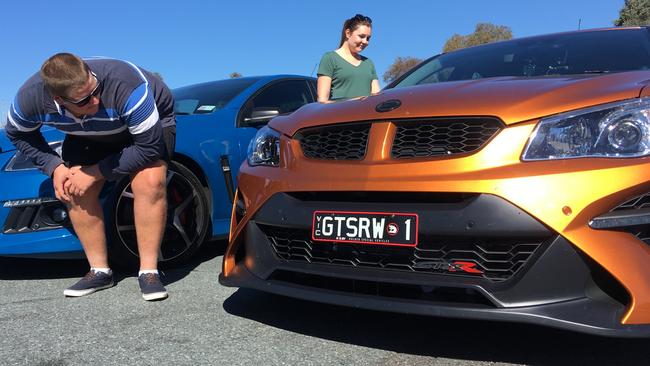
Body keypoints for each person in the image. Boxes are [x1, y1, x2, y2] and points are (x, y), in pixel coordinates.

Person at [5, 53, 176, 301]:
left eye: (96, 89)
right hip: (87, 132)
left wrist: (96, 172)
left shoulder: (127, 86)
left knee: (150, 180)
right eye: (85, 99)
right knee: (73, 186)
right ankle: (99, 271)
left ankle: (149, 271)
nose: (96, 100)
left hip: (145, 131)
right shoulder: (29, 98)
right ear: (57, 100)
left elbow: (148, 148)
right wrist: (55, 167)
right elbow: (17, 134)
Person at [317, 14, 380, 102]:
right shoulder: (330, 58)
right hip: (340, 115)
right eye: (361, 36)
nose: (365, 42)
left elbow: (376, 97)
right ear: (348, 33)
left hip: (368, 115)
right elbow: (322, 101)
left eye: (368, 38)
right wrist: (354, 102)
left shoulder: (368, 63)